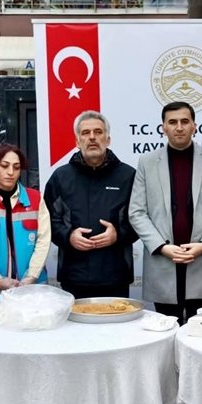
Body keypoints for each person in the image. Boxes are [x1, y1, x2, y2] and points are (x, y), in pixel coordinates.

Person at [129, 102, 202, 322]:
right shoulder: (147, 162)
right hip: (164, 260)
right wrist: (161, 246)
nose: (179, 127)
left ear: (194, 126)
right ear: (163, 128)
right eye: (173, 122)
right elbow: (137, 212)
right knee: (167, 331)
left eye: (185, 122)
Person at [45, 111, 138, 299]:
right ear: (77, 141)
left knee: (115, 328)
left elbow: (141, 219)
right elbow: (48, 221)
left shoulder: (128, 176)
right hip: (74, 277)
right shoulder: (60, 177)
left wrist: (118, 235)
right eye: (85, 133)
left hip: (115, 277)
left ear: (108, 139)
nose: (92, 137)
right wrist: (69, 236)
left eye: (98, 132)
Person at [0, 145, 52, 303]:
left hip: (32, 289)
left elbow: (43, 241)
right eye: (4, 166)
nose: (11, 172)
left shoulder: (36, 199)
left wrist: (31, 276)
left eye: (17, 167)